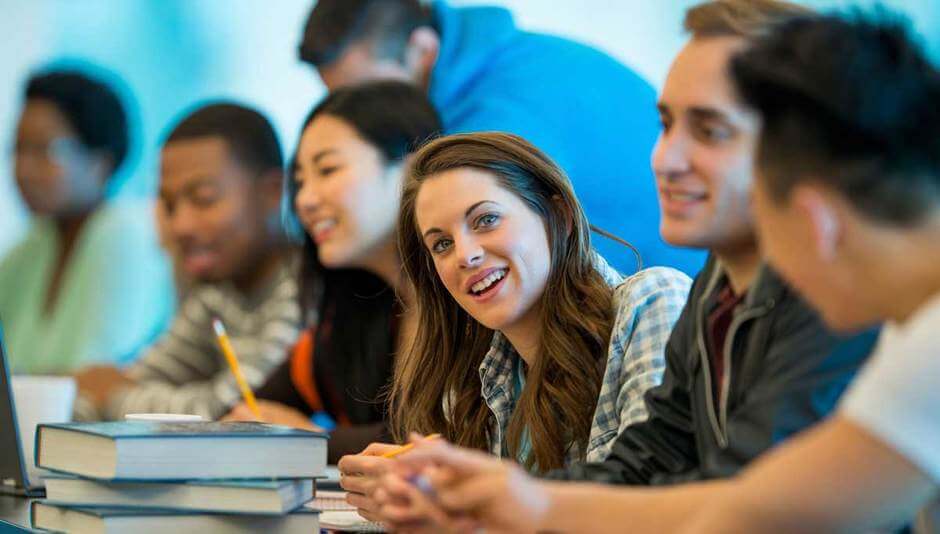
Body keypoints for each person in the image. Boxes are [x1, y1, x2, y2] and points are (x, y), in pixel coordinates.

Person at [369, 2, 878, 531]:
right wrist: (480, 498)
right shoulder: (715, 297)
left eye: (709, 130)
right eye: (666, 124)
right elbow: (646, 462)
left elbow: (748, 503)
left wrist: (512, 505)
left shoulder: (835, 301)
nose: (664, 158)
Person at [338, 131, 692, 521]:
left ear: (559, 215)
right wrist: (420, 497)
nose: (466, 255)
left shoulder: (653, 301)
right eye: (441, 244)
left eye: (486, 220)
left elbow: (651, 502)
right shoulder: (474, 381)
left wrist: (469, 500)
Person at [683, 12, 940, 533]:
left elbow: (755, 518)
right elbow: (757, 503)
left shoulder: (929, 349)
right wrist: (536, 506)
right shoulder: (911, 325)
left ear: (813, 222)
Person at [298, 0, 706, 276]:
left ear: (422, 49)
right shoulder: (516, 56)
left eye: (370, 96)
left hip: (668, 314)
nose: (355, 119)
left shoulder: (490, 123)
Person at [223, 81, 443, 463]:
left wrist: (309, 441)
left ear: (411, 170)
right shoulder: (349, 319)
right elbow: (252, 414)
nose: (305, 200)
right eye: (301, 181)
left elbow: (445, 436)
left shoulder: (474, 294)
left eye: (328, 170)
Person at [74, 102, 301, 422]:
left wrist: (112, 398)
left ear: (272, 191)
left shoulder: (305, 289)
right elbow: (135, 378)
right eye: (168, 205)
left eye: (203, 199)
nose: (180, 225)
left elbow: (233, 412)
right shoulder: (218, 293)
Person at [0, 69, 174, 374]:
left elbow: (98, 377)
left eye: (44, 150)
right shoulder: (32, 245)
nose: (22, 169)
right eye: (18, 149)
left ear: (100, 162)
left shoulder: (125, 234)